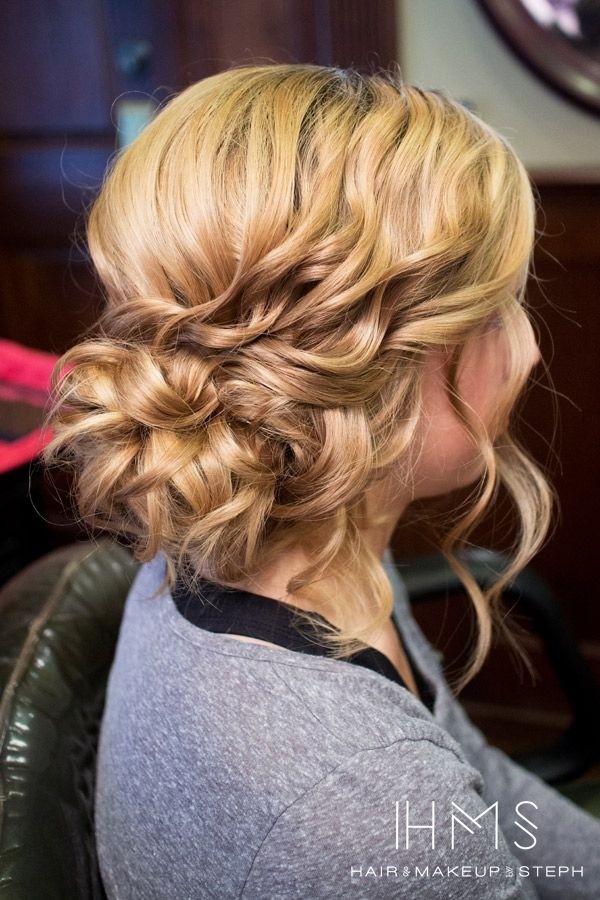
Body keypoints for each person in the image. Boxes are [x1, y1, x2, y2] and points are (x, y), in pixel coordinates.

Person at [43, 62, 600, 898]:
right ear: (377, 369)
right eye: (500, 306)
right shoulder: (363, 818)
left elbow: (472, 782)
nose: (526, 350)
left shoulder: (289, 536)